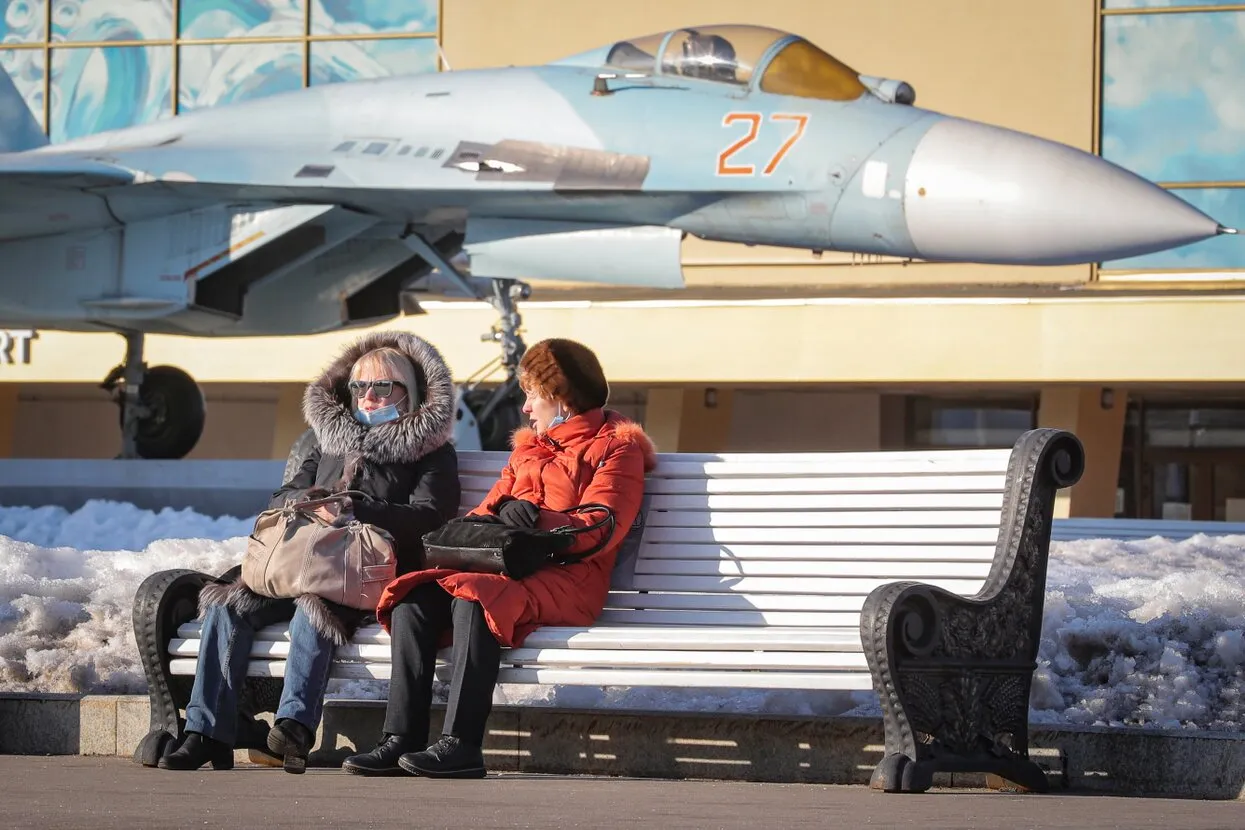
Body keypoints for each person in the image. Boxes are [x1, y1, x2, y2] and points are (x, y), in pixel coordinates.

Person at [343, 338, 656, 779]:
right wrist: (500, 515)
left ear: (561, 398)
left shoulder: (616, 449)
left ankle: (462, 744)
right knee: (414, 598)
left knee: (475, 596)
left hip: (570, 578)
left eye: (532, 394)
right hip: (509, 567)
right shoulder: (530, 448)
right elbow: (484, 511)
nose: (526, 408)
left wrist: (536, 523)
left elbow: (600, 527)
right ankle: (401, 737)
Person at [159, 332, 461, 773]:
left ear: (409, 393)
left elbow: (432, 517)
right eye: (360, 388)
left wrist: (356, 507)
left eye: (382, 387)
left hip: (364, 571)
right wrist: (308, 501)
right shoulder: (327, 442)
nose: (369, 397)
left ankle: (293, 730)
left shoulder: (432, 453)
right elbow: (285, 491)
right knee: (230, 606)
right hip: (301, 557)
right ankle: (205, 732)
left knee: (313, 609)